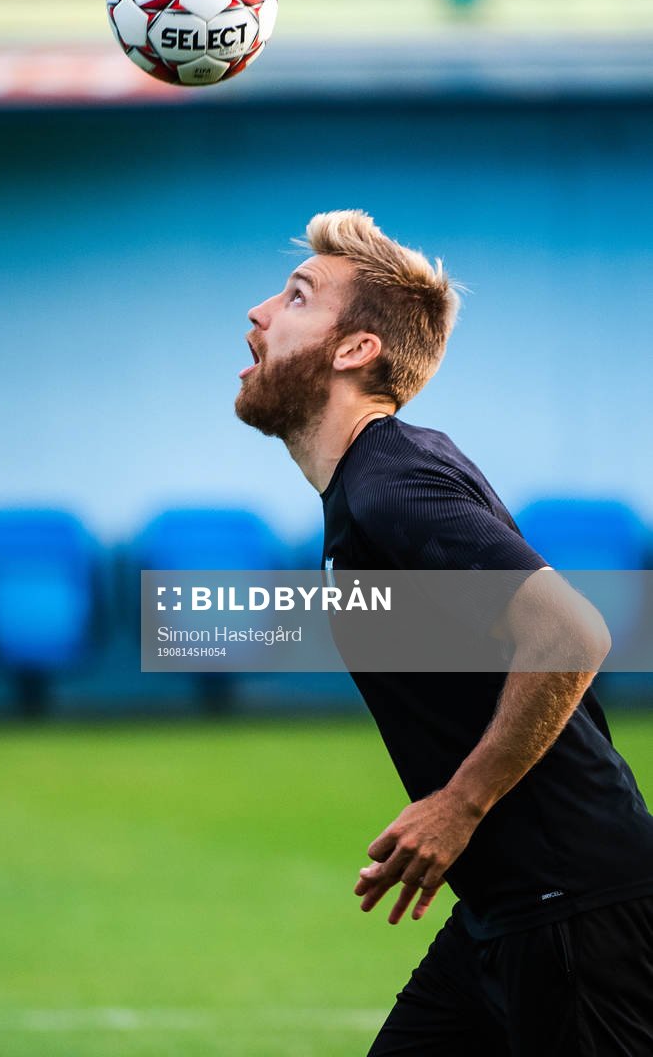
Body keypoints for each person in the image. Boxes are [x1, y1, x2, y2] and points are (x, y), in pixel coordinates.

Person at [234, 209, 653, 1056]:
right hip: (504, 914)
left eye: (297, 297)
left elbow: (571, 632)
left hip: (576, 914)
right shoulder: (374, 479)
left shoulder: (393, 481)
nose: (258, 314)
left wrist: (457, 806)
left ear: (356, 350)